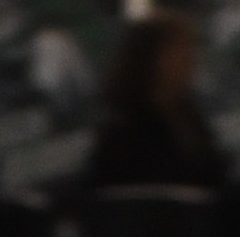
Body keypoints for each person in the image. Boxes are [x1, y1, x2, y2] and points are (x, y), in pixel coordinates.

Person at [83, 11, 222, 194]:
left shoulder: (189, 118)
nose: (191, 59)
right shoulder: (125, 132)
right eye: (180, 49)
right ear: (152, 58)